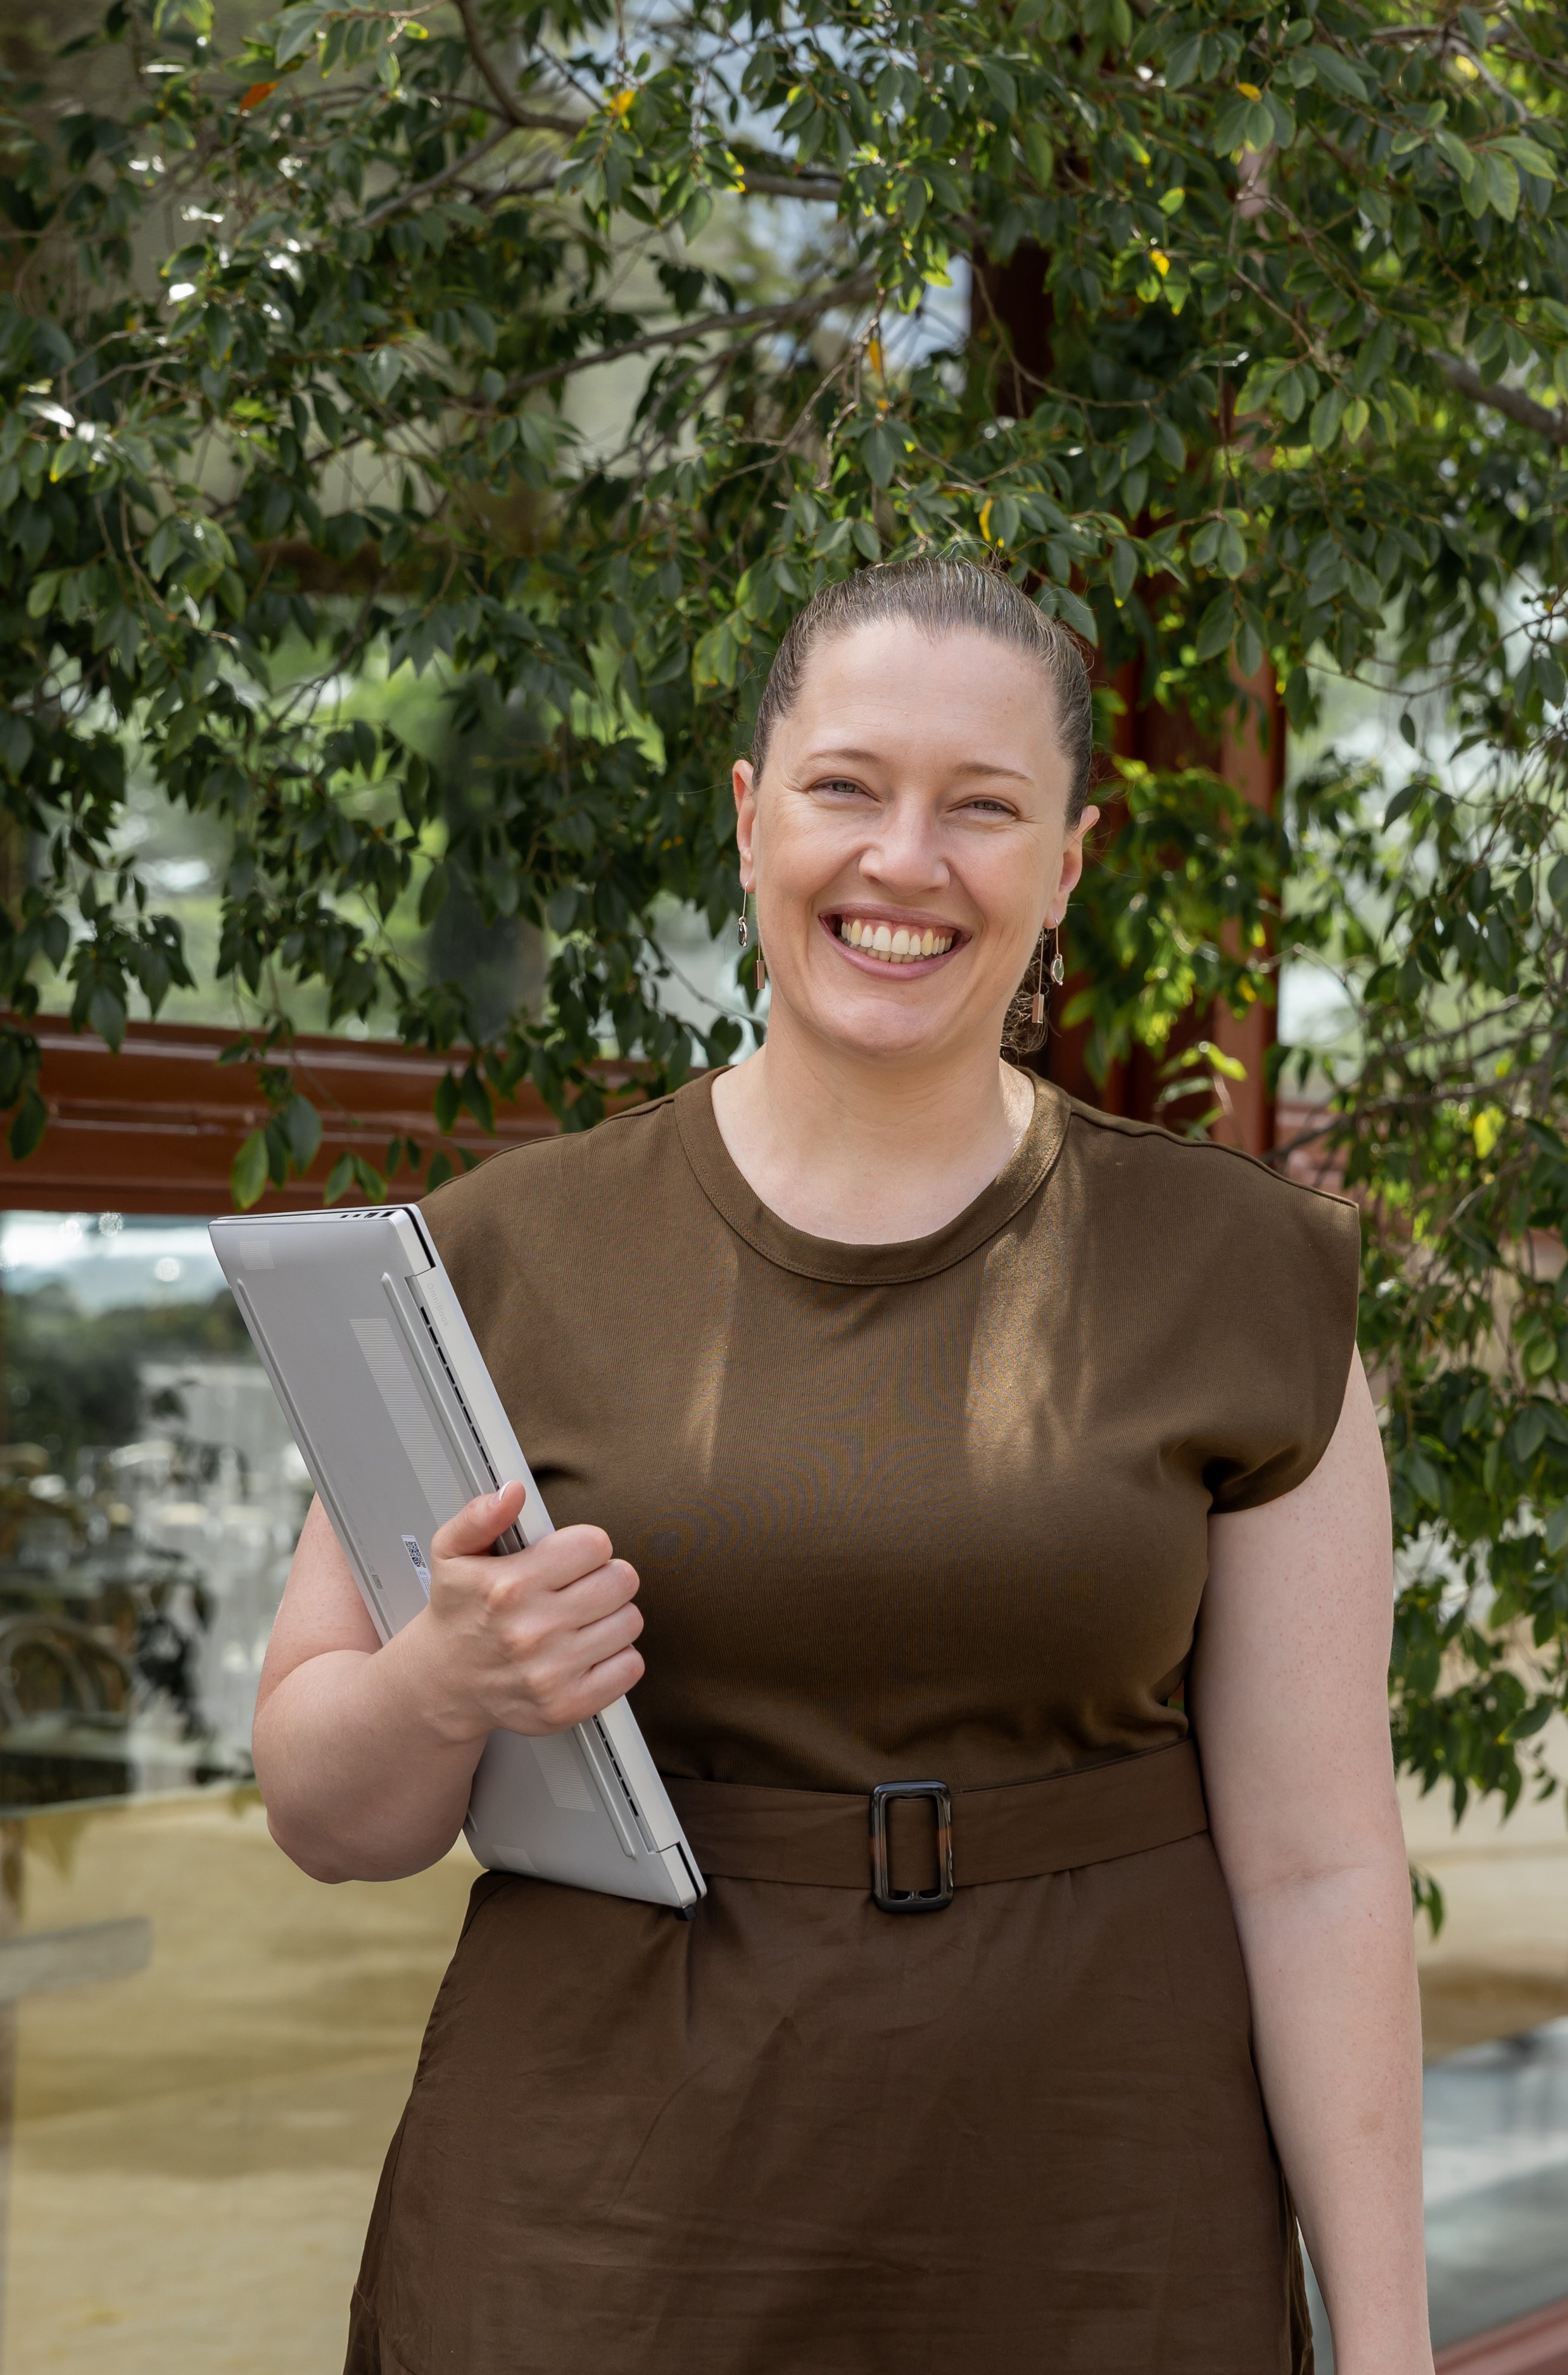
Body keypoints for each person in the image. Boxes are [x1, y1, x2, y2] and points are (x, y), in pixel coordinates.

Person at [253, 555, 1432, 2375]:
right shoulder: (498, 1258)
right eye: (845, 788)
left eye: (982, 808)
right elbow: (331, 1820)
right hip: (600, 2234)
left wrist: (1387, 2345)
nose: (905, 861)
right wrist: (444, 1679)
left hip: (1104, 2220)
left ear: (1067, 863)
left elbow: (1318, 1867)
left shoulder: (1241, 1275)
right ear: (749, 819)